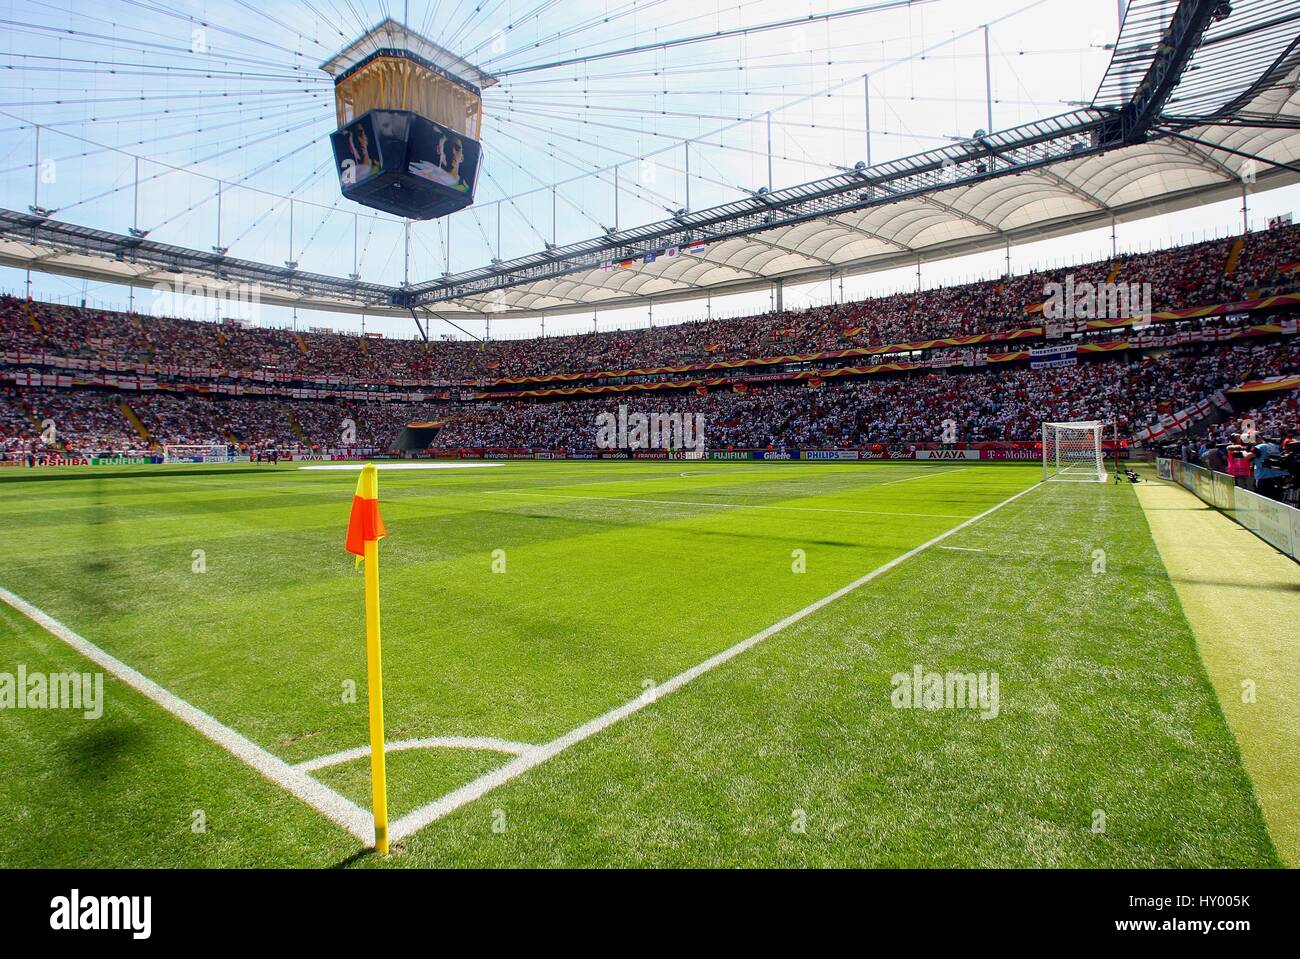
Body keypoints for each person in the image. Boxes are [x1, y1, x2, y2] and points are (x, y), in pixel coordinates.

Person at [1248, 436, 1288, 500]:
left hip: (1264, 477)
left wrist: (1241, 452)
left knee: (1263, 500)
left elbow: (1247, 457)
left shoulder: (1259, 447)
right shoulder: (1274, 445)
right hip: (1279, 476)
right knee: (1278, 500)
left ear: (1257, 439)